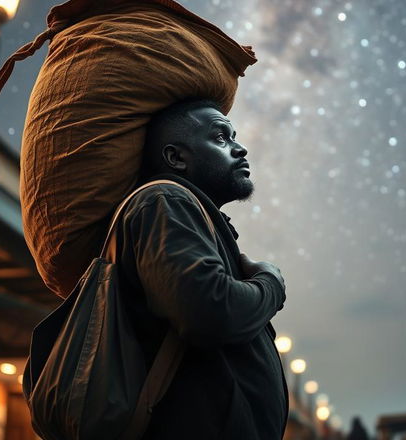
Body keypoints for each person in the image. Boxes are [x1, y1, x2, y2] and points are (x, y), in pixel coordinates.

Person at [114, 97, 289, 439]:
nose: (240, 149)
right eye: (221, 138)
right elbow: (210, 311)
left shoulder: (189, 214)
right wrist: (272, 283)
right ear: (176, 158)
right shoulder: (165, 201)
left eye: (235, 136)